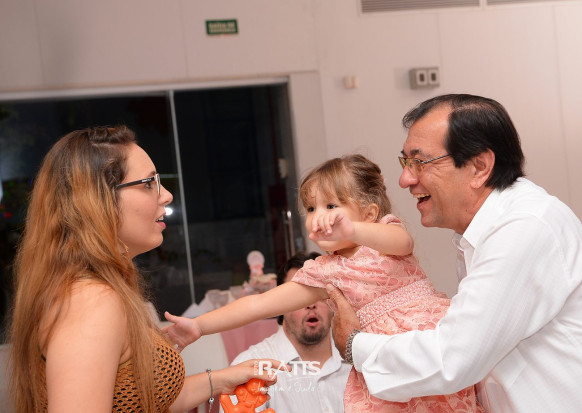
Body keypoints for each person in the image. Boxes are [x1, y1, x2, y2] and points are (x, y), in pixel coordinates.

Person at [164, 154, 483, 412]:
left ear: (369, 213)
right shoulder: (326, 272)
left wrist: (352, 231)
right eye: (311, 208)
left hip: (428, 348)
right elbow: (258, 304)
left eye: (331, 206)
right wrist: (199, 326)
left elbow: (404, 242)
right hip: (382, 368)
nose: (318, 216)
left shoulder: (385, 237)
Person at [327, 94, 582, 413]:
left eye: (420, 162)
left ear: (479, 167)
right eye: (405, 162)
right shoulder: (485, 230)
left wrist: (354, 344)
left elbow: (453, 357)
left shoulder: (525, 227)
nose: (405, 179)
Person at [7, 126, 282, 413]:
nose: (167, 195)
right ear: (99, 200)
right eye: (149, 183)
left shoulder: (102, 289)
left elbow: (141, 402)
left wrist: (221, 379)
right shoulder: (89, 302)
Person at [224, 251, 351, 413]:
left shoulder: (359, 357)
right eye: (299, 295)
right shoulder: (252, 368)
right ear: (280, 305)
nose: (310, 304)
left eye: (319, 293)